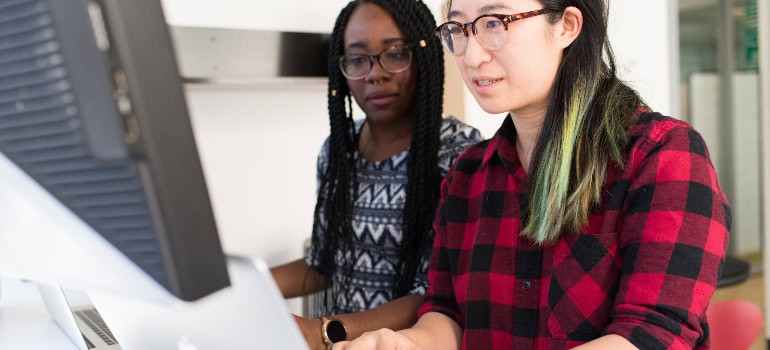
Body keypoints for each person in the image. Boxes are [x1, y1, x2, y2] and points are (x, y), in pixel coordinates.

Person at [337, 0, 730, 349]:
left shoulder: (662, 155)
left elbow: (653, 333)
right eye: (458, 29)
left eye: (495, 23)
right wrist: (405, 342)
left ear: (566, 26)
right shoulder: (467, 173)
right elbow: (448, 313)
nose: (471, 57)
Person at [270, 0, 483, 348]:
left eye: (395, 54)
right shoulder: (338, 150)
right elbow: (324, 262)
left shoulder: (459, 153)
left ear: (423, 58)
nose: (375, 73)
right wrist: (244, 284)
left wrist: (323, 330)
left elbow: (436, 293)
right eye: (357, 59)